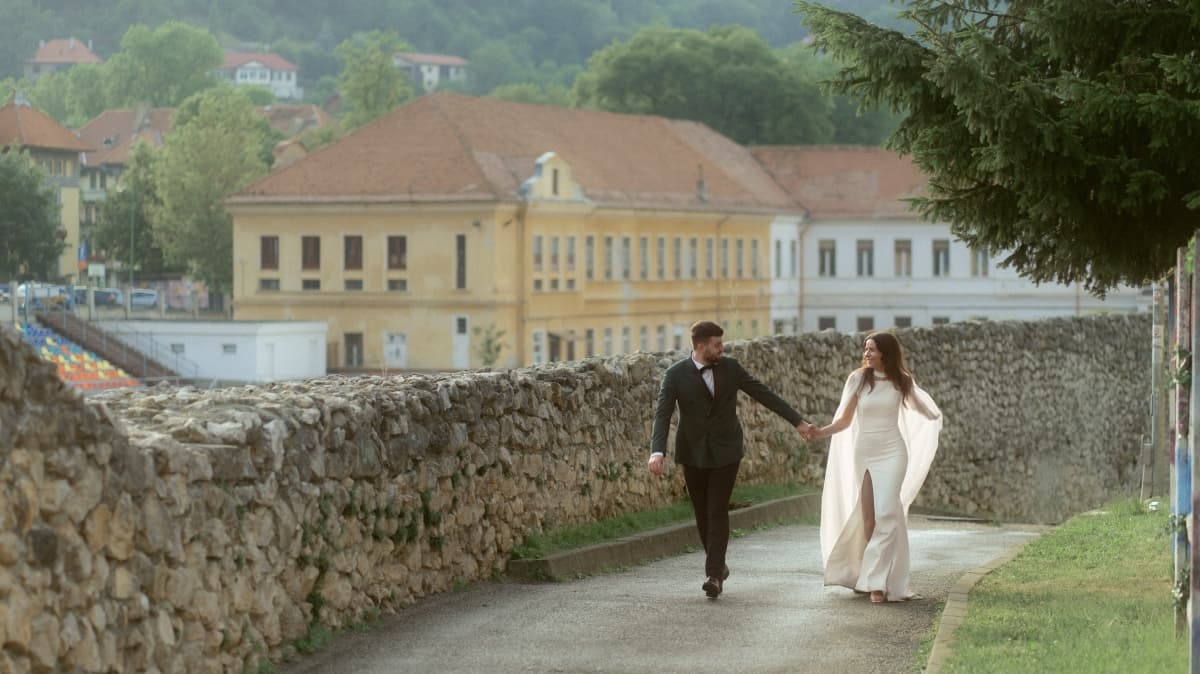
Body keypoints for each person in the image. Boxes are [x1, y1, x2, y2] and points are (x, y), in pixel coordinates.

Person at [648, 320, 813, 598]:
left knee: (717, 510)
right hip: (693, 452)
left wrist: (798, 422)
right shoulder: (675, 375)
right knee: (702, 513)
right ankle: (718, 564)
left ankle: (713, 575)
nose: (722, 349)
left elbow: (763, 394)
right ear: (701, 346)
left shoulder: (731, 368)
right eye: (717, 345)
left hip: (727, 451)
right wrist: (657, 451)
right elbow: (662, 414)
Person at [806, 332, 943, 603]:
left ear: (886, 354)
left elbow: (920, 408)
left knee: (887, 512)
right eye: (865, 349)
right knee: (869, 519)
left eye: (872, 350)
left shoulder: (901, 381)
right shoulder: (858, 380)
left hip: (893, 452)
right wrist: (820, 432)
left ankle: (877, 583)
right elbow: (845, 420)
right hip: (865, 452)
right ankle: (871, 576)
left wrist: (933, 416)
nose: (866, 354)